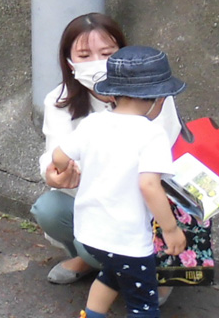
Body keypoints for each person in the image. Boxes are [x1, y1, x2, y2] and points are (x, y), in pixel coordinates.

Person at [29, 14, 183, 289]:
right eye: (84, 55)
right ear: (69, 62)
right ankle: (91, 261)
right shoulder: (60, 100)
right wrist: (54, 176)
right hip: (95, 200)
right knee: (50, 210)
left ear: (122, 56)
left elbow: (158, 171)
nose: (97, 63)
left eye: (106, 53)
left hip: (141, 205)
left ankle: (151, 271)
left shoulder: (155, 97)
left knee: (104, 244)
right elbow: (56, 155)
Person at [50, 45, 186, 318]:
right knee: (143, 305)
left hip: (90, 233)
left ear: (112, 92)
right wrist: (171, 230)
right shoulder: (152, 134)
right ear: (159, 98)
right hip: (127, 239)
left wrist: (65, 168)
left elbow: (58, 155)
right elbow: (149, 186)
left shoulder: (92, 124)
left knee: (111, 275)